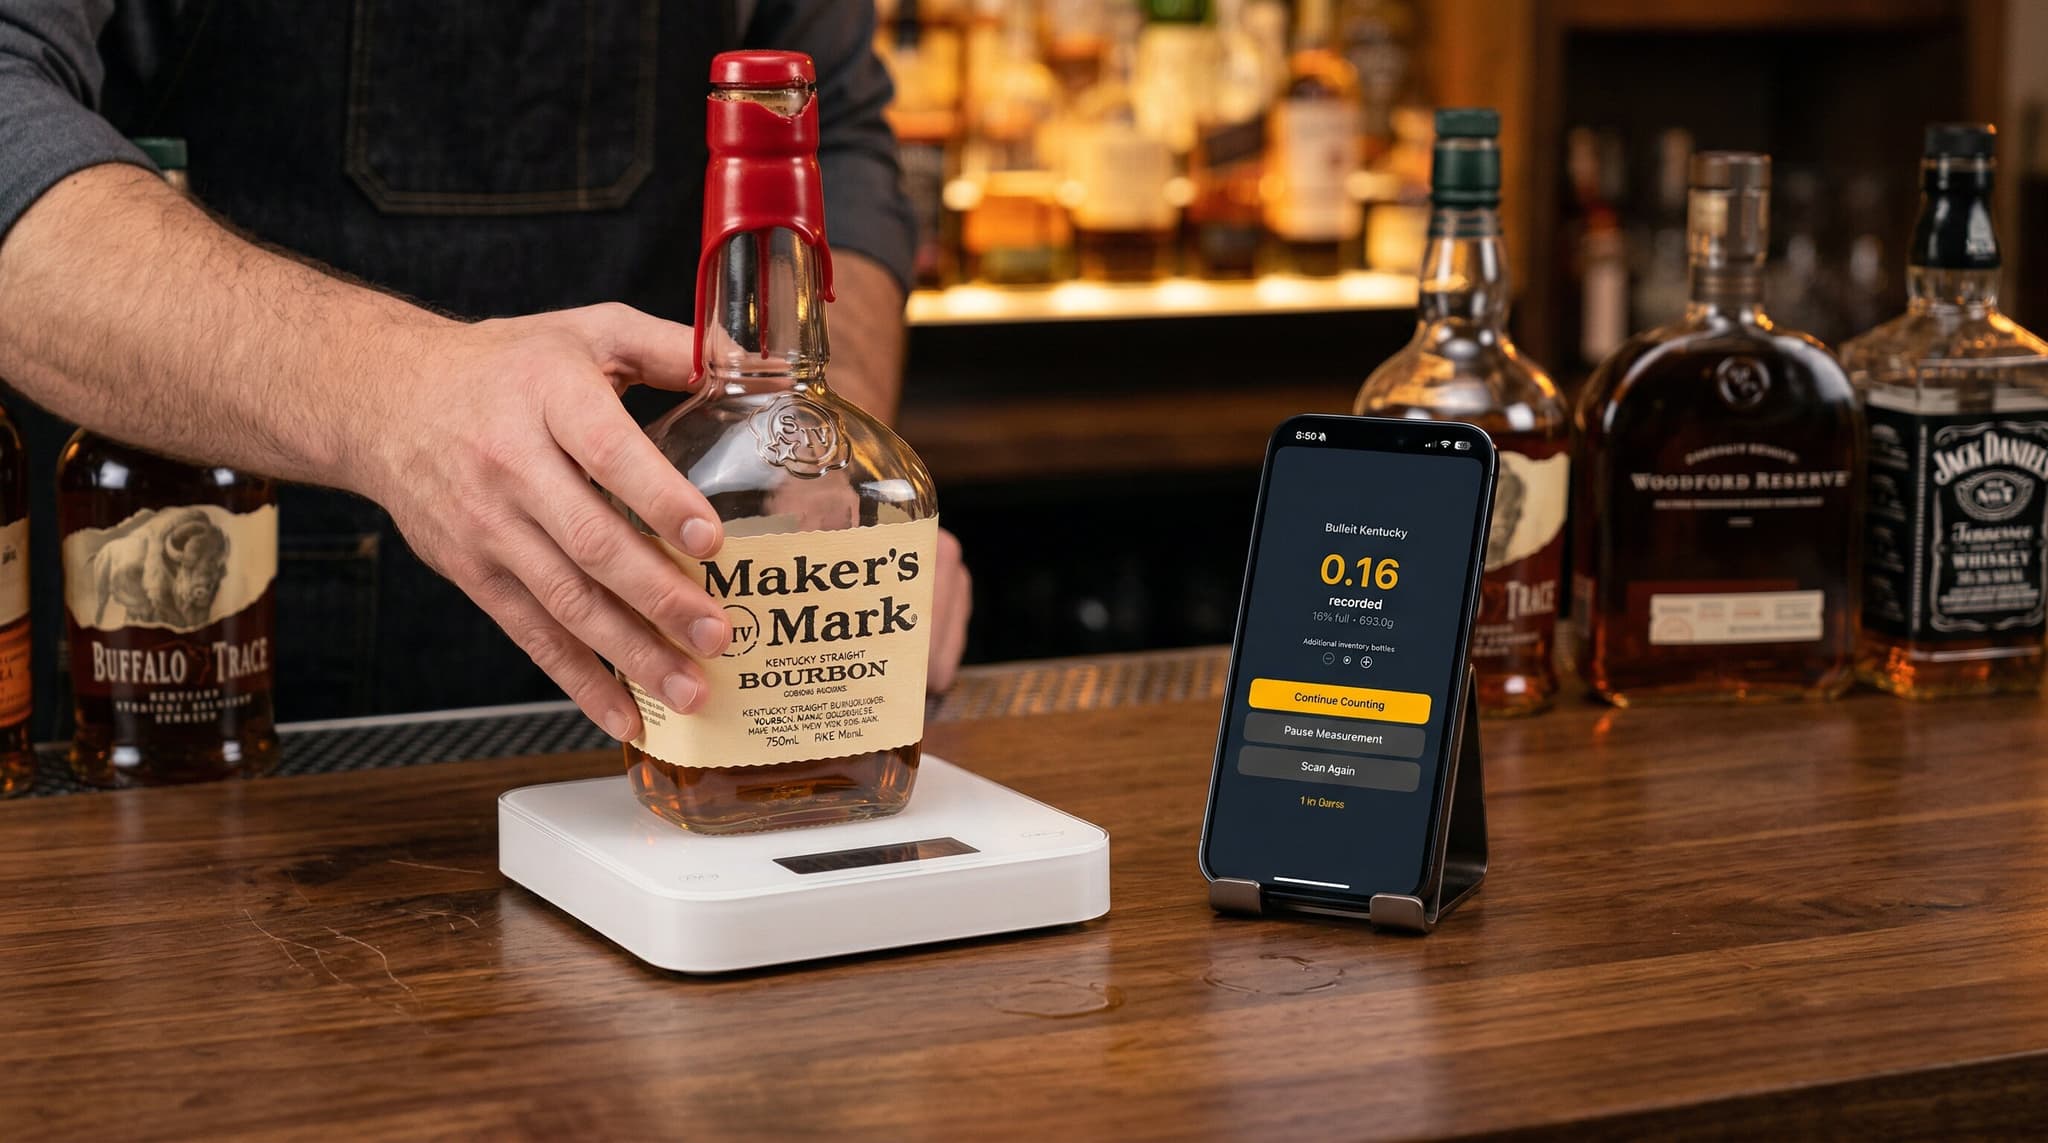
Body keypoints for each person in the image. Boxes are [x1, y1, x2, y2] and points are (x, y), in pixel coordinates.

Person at [0, 1, 972, 742]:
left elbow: (824, 131)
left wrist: (807, 490)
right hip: (213, 696)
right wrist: (390, 392)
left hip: (691, 680)